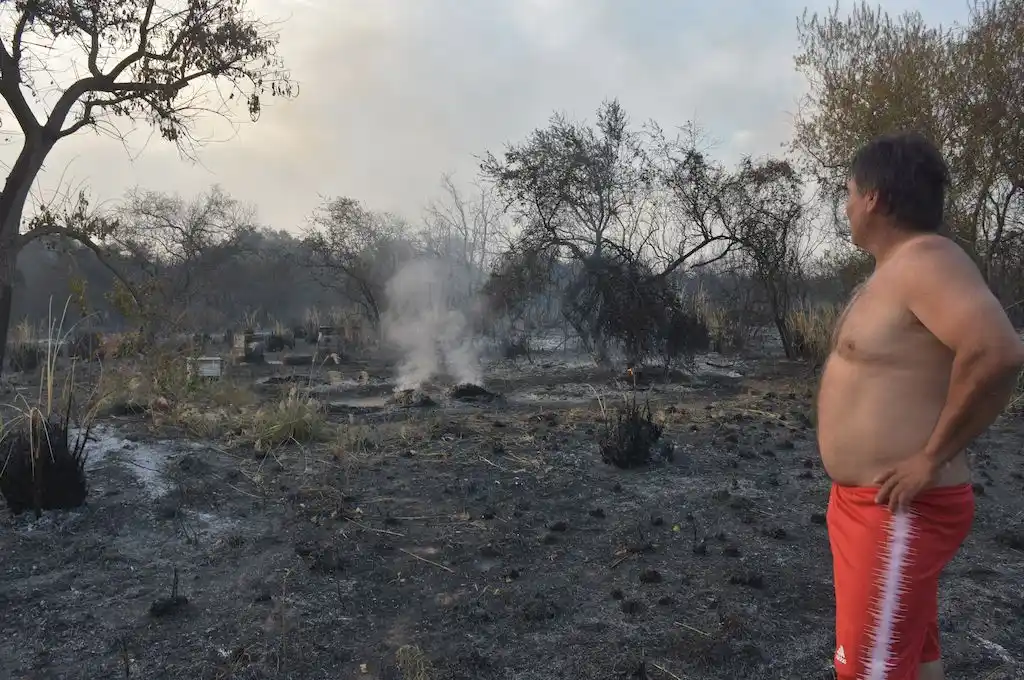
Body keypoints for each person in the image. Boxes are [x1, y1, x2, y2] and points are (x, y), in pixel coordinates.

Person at [817, 131, 1024, 680]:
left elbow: (998, 352)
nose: (845, 206)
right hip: (872, 507)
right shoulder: (894, 272)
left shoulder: (927, 260)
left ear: (875, 199)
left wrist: (931, 458)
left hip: (897, 510)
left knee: (871, 671)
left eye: (848, 193)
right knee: (913, 659)